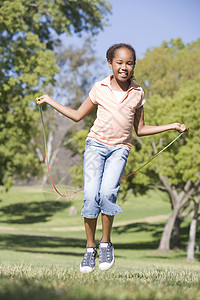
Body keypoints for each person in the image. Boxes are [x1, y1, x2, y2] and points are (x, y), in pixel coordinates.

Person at [35, 43, 189, 274]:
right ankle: (90, 248)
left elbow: (141, 129)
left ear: (133, 65)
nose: (124, 67)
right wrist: (49, 100)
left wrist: (171, 126)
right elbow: (77, 115)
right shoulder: (100, 87)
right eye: (119, 62)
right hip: (95, 146)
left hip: (119, 149)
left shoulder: (137, 93)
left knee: (107, 193)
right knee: (90, 196)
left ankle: (105, 243)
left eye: (129, 63)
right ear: (110, 64)